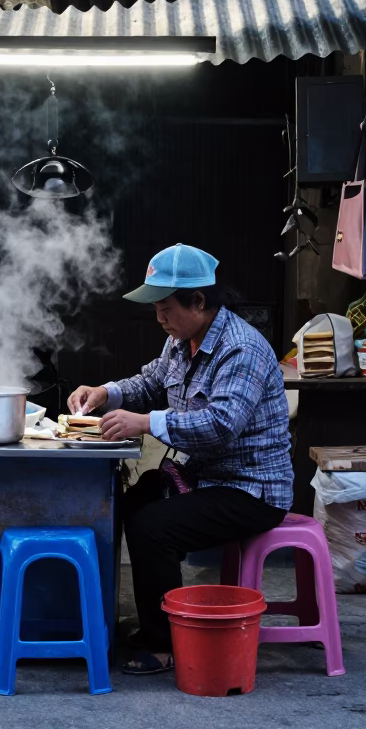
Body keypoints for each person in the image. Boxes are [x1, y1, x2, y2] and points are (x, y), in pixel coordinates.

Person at [67, 243, 293, 676]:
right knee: (135, 499)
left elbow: (221, 424)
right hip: (206, 478)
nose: (160, 318)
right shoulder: (182, 341)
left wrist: (145, 423)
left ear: (199, 301)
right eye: (156, 309)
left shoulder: (241, 348)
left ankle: (163, 644)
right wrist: (105, 393)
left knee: (154, 526)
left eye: (166, 308)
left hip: (251, 489)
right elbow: (149, 382)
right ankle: (151, 620)